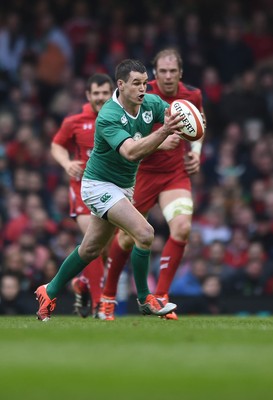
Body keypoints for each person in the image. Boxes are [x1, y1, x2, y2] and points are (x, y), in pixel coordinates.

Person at [35, 58, 183, 321]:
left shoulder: (149, 103)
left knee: (91, 249)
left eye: (144, 83)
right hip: (98, 185)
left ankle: (50, 290)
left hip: (124, 187)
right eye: (136, 84)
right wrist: (162, 135)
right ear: (121, 85)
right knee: (145, 233)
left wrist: (190, 122)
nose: (142, 89)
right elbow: (130, 152)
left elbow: (174, 114)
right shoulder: (109, 115)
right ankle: (146, 299)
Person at [98, 48, 205, 321]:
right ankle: (107, 297)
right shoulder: (142, 92)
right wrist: (161, 140)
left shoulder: (192, 95)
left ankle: (161, 297)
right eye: (163, 71)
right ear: (155, 73)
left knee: (182, 229)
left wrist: (195, 153)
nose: (168, 76)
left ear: (181, 73)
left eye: (173, 71)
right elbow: (131, 138)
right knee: (125, 238)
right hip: (141, 174)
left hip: (174, 174)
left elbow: (199, 124)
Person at [51, 73, 114, 317]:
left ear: (112, 94)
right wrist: (66, 164)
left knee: (108, 249)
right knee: (94, 242)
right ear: (88, 95)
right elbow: (56, 144)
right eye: (96, 93)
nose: (100, 97)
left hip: (111, 189)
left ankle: (84, 283)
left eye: (104, 93)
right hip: (82, 188)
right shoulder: (75, 121)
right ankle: (100, 304)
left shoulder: (121, 118)